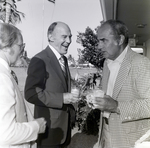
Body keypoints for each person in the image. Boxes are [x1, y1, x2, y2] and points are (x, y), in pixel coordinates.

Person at [88, 19, 150, 148]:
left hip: (129, 138)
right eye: (98, 41)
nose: (99, 46)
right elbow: (110, 90)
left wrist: (116, 106)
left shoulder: (141, 63)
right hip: (106, 131)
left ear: (120, 40)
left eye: (103, 40)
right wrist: (95, 97)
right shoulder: (107, 62)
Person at [24, 22, 80, 148]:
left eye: (70, 37)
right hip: (49, 132)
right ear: (50, 37)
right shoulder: (39, 59)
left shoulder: (63, 59)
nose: (69, 41)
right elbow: (31, 93)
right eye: (64, 37)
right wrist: (62, 98)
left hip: (64, 131)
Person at [0, 23, 46, 148]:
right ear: (6, 46)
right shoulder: (2, 77)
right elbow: (5, 134)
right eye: (20, 46)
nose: (22, 51)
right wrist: (37, 126)